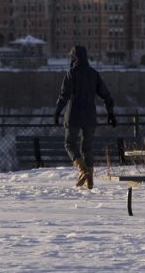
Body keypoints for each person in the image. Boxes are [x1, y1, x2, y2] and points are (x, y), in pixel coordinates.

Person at [53, 45, 116, 189]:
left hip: (74, 114)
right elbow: (106, 95)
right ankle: (90, 178)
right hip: (90, 116)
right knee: (86, 147)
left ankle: (83, 171)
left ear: (73, 57)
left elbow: (64, 95)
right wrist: (110, 113)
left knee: (70, 144)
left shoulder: (71, 73)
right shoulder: (94, 74)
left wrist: (57, 111)